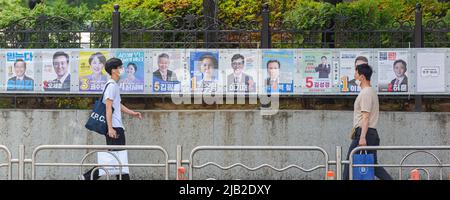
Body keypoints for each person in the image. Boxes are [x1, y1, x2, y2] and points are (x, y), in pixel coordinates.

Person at [82, 57, 143, 180]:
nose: (122, 69)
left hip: (115, 126)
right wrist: (110, 128)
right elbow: (108, 108)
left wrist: (132, 113)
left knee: (117, 159)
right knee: (118, 159)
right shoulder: (111, 85)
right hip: (114, 128)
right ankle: (88, 177)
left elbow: (117, 104)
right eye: (120, 67)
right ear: (114, 70)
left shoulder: (113, 85)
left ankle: (87, 177)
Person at [343, 63, 393, 180]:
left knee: (349, 163)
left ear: (362, 77)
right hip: (369, 133)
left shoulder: (366, 93)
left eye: (356, 73)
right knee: (373, 165)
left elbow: (366, 117)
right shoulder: (369, 92)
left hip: (364, 133)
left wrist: (362, 137)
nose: (354, 76)